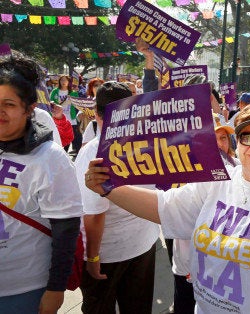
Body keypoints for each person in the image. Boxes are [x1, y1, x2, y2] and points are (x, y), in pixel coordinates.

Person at [84, 104, 250, 313]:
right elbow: (163, 206)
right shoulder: (218, 182)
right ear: (238, 144)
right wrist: (109, 189)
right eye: (247, 137)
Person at [0, 51, 82, 313]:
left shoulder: (50, 158)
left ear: (30, 109)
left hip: (22, 291)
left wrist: (55, 290)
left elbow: (66, 229)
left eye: (9, 104)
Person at [75, 82, 160, 313]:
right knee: (138, 307)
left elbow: (93, 215)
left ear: (97, 112)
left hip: (109, 254)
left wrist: (92, 258)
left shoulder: (94, 152)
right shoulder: (152, 141)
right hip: (144, 244)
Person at [50, 74, 80, 152]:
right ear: (59, 81)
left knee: (69, 135)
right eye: (62, 80)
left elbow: (77, 104)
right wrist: (60, 104)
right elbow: (50, 102)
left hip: (70, 117)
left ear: (69, 82)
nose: (64, 82)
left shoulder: (73, 92)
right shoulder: (55, 91)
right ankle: (61, 151)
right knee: (59, 134)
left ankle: (66, 151)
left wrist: (76, 95)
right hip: (58, 117)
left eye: (65, 80)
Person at [80, 78, 103, 146]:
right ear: (91, 88)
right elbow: (79, 117)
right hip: (91, 130)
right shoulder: (86, 101)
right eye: (96, 85)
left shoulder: (108, 100)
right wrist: (85, 114)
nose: (98, 87)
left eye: (101, 85)